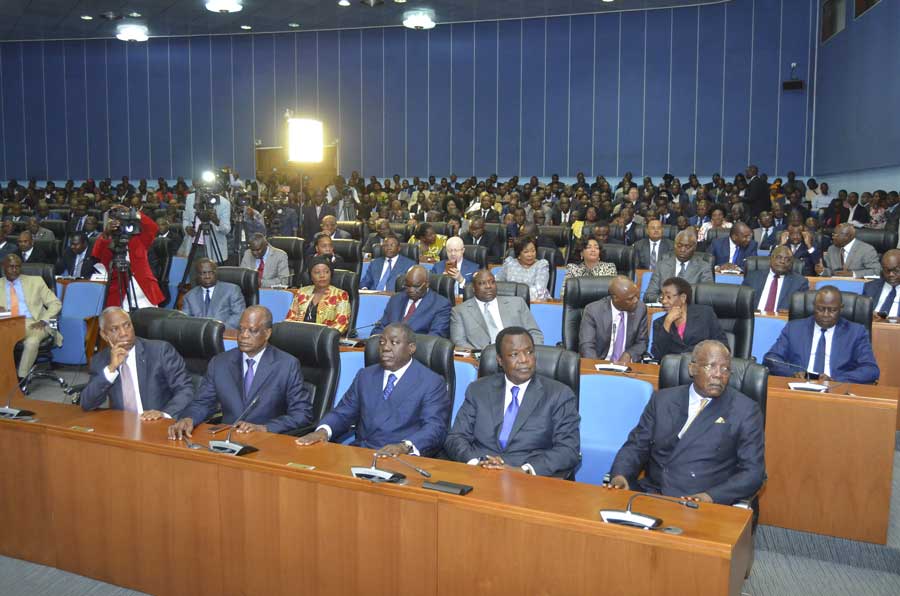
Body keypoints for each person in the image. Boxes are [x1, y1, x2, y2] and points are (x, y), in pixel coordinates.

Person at [608, 341, 765, 505]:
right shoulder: (662, 400)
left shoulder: (745, 410)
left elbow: (753, 473)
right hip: (654, 495)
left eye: (725, 369)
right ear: (692, 369)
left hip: (702, 501)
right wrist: (620, 475)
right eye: (710, 366)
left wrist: (711, 496)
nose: (719, 374)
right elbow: (636, 446)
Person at [444, 327, 581, 478]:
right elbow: (456, 437)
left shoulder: (559, 395)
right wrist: (476, 463)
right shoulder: (478, 390)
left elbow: (568, 449)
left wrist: (525, 470)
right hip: (479, 475)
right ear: (500, 360)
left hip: (527, 480)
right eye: (514, 354)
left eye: (529, 352)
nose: (524, 359)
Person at [295, 323, 450, 456]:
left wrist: (405, 446)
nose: (386, 348)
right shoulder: (365, 375)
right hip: (361, 454)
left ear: (411, 348)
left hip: (401, 459)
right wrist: (323, 431)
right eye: (382, 342)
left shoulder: (431, 382)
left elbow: (435, 428)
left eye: (394, 342)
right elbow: (343, 412)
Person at [168, 306, 313, 438]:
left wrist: (265, 428)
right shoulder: (220, 363)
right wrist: (189, 418)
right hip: (226, 441)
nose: (244, 335)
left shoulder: (287, 365)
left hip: (267, 443)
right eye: (241, 329)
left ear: (267, 333)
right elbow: (202, 403)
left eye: (252, 330)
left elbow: (301, 414)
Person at [79, 307, 194, 419]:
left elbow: (185, 389)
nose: (123, 333)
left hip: (157, 424)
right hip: (121, 426)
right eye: (115, 329)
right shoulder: (101, 360)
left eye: (127, 325)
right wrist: (111, 369)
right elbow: (87, 403)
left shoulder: (160, 351)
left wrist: (164, 414)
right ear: (104, 335)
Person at [764, 286, 879, 383]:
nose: (825, 314)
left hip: (836, 391)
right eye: (820, 309)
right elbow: (771, 359)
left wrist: (836, 380)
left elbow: (870, 369)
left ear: (841, 308)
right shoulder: (794, 328)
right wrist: (792, 374)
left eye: (832, 310)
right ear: (814, 306)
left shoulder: (856, 332)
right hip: (799, 387)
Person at [1, 254, 62, 379]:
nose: (14, 270)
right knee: (32, 343)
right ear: (4, 267)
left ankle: (15, 379)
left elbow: (55, 303)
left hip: (35, 323)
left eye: (17, 267)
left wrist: (44, 320)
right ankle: (20, 379)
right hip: (7, 323)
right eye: (11, 267)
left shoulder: (36, 281)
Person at [450, 269, 544, 350]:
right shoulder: (459, 311)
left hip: (518, 355)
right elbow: (459, 342)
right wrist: (482, 356)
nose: (488, 286)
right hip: (482, 359)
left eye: (492, 282)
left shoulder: (518, 303)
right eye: (482, 283)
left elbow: (535, 333)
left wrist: (527, 352)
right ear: (473, 288)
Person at [92, 207, 165, 309]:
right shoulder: (107, 242)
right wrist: (107, 234)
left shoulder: (139, 239)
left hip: (146, 295)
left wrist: (133, 213)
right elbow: (98, 254)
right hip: (120, 296)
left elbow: (152, 228)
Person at [651, 277, 727, 360]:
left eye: (668, 297)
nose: (664, 301)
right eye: (662, 297)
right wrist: (667, 323)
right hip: (673, 367)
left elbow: (723, 345)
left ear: (683, 298)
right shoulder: (659, 323)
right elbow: (657, 355)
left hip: (702, 364)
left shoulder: (705, 314)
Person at [578, 276, 648, 363]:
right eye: (630, 298)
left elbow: (642, 342)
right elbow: (586, 346)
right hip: (599, 363)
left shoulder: (640, 309)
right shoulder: (593, 311)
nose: (635, 301)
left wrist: (629, 354)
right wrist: (596, 366)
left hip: (626, 366)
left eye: (637, 296)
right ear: (615, 298)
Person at [372, 266, 451, 337]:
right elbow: (381, 327)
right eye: (408, 286)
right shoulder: (396, 299)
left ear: (427, 284)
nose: (411, 290)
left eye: (416, 286)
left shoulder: (441, 305)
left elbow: (435, 337)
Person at [644, 230, 714, 303]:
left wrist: (679, 301)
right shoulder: (661, 266)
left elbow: (707, 297)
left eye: (687, 247)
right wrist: (664, 299)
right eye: (679, 246)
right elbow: (648, 296)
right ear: (674, 245)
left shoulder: (703, 267)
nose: (682, 250)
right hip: (665, 307)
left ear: (694, 247)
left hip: (689, 308)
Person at [286, 257, 351, 334]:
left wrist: (320, 336)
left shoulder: (340, 295)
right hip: (299, 335)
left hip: (324, 338)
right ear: (311, 276)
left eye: (326, 272)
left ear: (331, 274)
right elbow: (290, 318)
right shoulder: (302, 292)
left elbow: (341, 324)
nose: (322, 275)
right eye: (317, 272)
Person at [180, 258, 246, 329]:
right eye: (203, 273)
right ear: (197, 275)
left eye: (211, 272)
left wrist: (218, 330)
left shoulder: (232, 290)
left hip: (224, 333)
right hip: (198, 334)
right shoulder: (189, 296)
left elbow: (239, 315)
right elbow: (185, 322)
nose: (207, 276)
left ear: (216, 273)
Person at [742, 246, 809, 312]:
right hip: (754, 317)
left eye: (787, 259)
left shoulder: (800, 283)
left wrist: (792, 312)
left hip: (780, 318)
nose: (782, 261)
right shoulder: (752, 277)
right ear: (771, 258)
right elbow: (741, 302)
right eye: (779, 257)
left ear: (791, 263)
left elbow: (802, 309)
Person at [181, 186, 231, 263]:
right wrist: (186, 228)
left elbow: (226, 230)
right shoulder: (190, 198)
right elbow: (186, 219)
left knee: (212, 271)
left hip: (214, 248)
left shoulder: (224, 203)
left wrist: (216, 221)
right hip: (193, 246)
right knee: (192, 270)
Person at [496, 235, 551, 301]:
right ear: (518, 254)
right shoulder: (509, 263)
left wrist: (512, 293)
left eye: (533, 251)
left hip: (534, 303)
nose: (530, 255)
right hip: (508, 301)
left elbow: (540, 291)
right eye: (526, 252)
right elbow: (497, 283)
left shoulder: (541, 265)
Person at [863, 249, 900, 318]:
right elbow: (860, 313)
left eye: (896, 270)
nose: (891, 274)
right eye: (887, 270)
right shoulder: (870, 287)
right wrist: (868, 314)